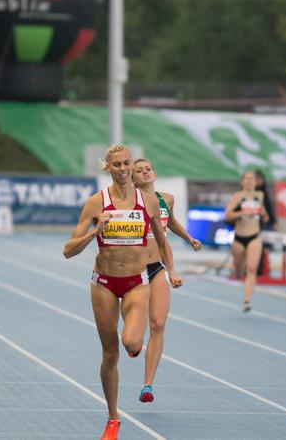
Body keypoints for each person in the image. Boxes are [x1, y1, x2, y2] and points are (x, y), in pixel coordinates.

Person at [63, 144, 182, 440]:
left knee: (130, 341)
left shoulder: (150, 202)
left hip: (136, 282)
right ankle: (113, 418)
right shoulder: (96, 203)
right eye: (117, 164)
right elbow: (68, 250)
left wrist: (171, 270)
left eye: (127, 163)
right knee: (110, 354)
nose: (124, 169)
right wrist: (95, 232)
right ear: (109, 168)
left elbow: (163, 239)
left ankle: (134, 344)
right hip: (103, 283)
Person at [132, 158, 201, 404]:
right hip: (132, 269)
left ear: (154, 173)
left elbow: (170, 223)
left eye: (147, 168)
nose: (145, 172)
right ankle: (133, 343)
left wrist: (189, 239)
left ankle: (147, 385)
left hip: (156, 267)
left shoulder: (166, 199)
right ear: (133, 179)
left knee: (158, 324)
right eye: (139, 171)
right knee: (133, 335)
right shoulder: (130, 200)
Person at [223, 170, 269, 312]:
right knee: (238, 272)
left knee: (251, 269)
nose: (250, 181)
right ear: (242, 182)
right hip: (239, 238)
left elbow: (266, 218)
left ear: (256, 182)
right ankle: (235, 269)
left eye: (252, 179)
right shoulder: (238, 197)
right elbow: (227, 216)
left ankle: (247, 301)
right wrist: (242, 212)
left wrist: (262, 213)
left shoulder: (260, 196)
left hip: (254, 236)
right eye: (247, 179)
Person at [254, 170, 277, 277]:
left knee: (265, 246)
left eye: (260, 180)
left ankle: (263, 269)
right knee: (256, 246)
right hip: (253, 223)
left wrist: (273, 221)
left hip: (265, 223)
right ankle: (256, 268)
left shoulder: (264, 192)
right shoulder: (249, 192)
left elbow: (269, 208)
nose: (259, 182)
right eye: (256, 179)